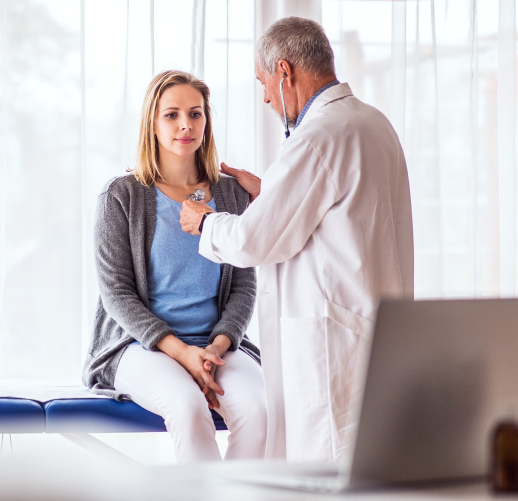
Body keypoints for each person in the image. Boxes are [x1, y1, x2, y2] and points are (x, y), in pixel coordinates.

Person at [180, 17, 414, 463]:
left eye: (264, 83)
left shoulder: (318, 137)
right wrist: (272, 193)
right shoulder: (372, 123)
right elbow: (342, 212)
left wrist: (204, 222)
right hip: (376, 334)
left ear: (284, 72)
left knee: (325, 475)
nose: (266, 97)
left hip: (333, 347)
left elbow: (252, 241)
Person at [82, 70, 268, 463]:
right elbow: (116, 294)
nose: (186, 124)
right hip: (140, 346)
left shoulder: (232, 193)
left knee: (258, 412)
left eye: (196, 114)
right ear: (152, 123)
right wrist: (182, 352)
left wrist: (216, 347)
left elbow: (243, 287)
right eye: (172, 115)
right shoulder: (122, 195)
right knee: (188, 409)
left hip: (217, 345)